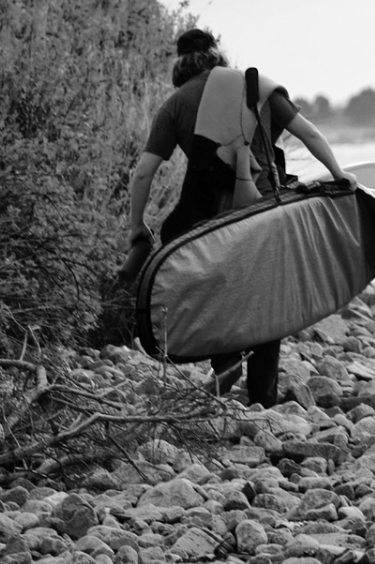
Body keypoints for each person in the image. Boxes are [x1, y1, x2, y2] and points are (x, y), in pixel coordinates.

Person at [127, 27, 356, 407]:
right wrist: (338, 173)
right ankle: (262, 397)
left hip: (210, 217)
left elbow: (143, 173)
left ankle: (226, 368)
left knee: (221, 293)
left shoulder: (175, 104)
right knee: (267, 295)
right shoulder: (257, 88)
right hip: (264, 209)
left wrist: (137, 225)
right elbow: (308, 134)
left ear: (179, 64)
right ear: (217, 55)